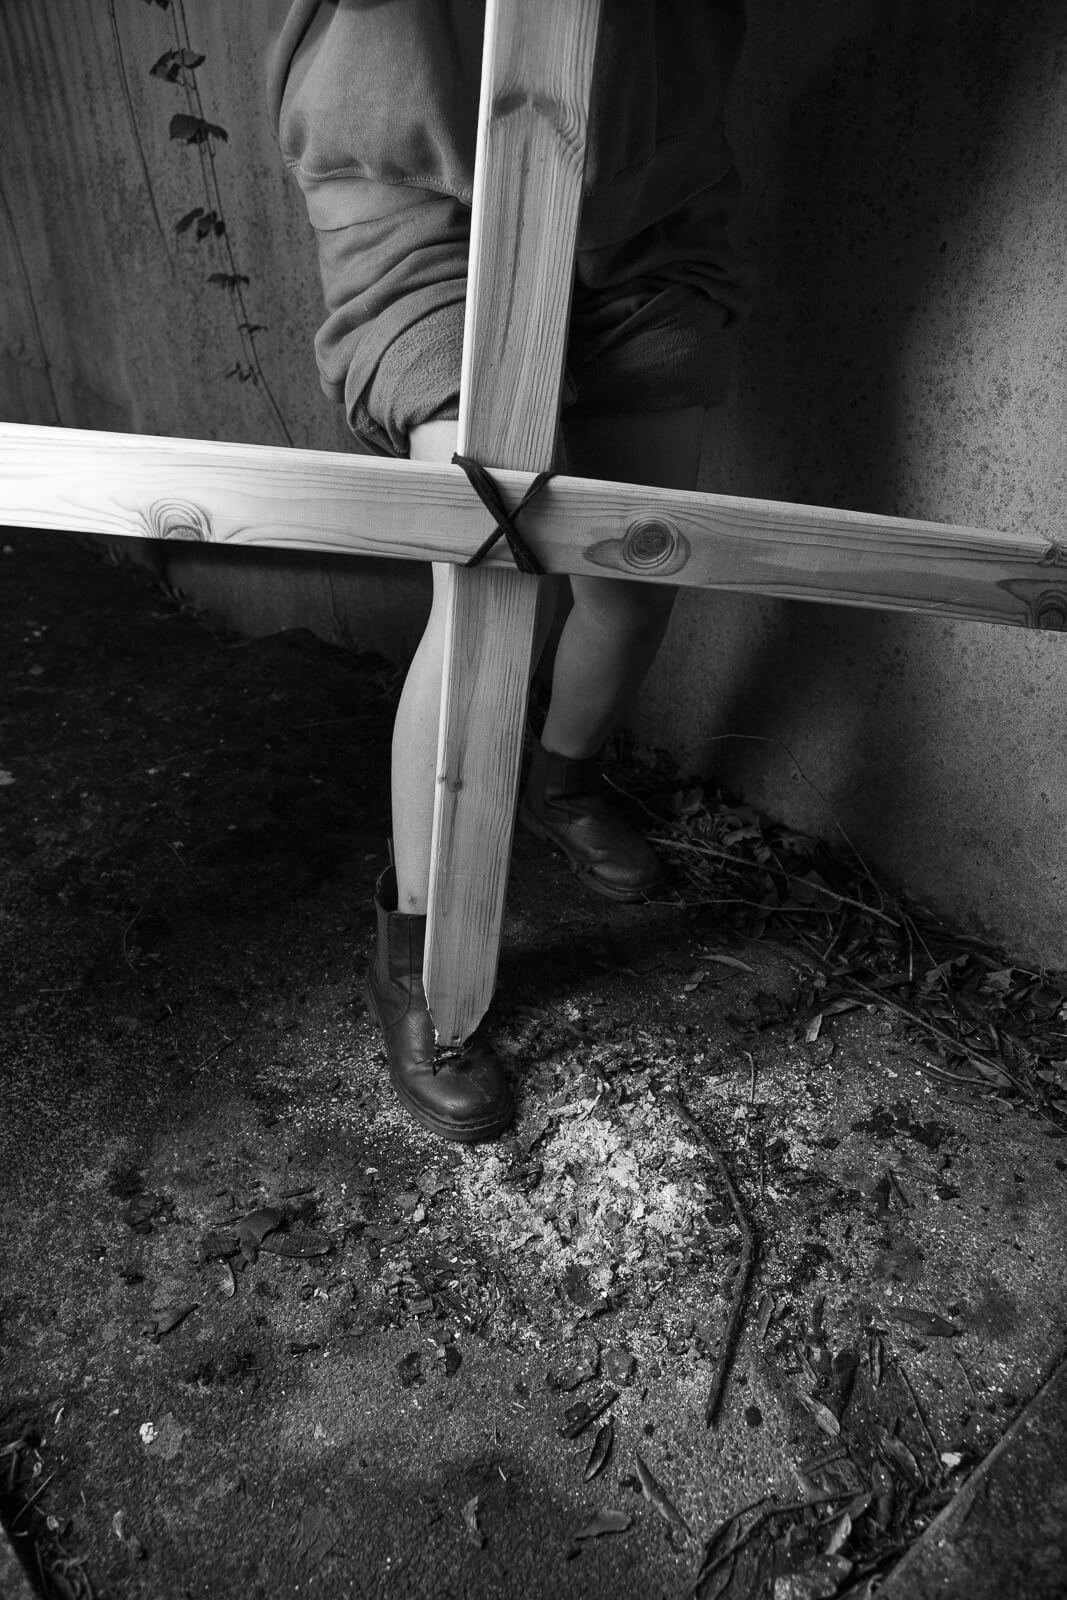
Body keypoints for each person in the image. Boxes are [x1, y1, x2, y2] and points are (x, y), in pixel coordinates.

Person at [266, 0, 749, 1144]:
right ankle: (420, 954)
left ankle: (560, 784)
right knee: (489, 583)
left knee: (634, 570)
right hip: (418, 187)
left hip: (644, 193)